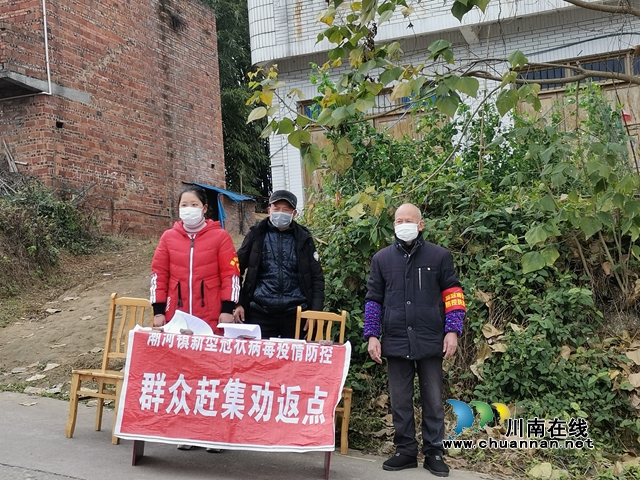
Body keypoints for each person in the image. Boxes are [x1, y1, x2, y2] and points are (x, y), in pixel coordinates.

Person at [364, 203, 466, 477]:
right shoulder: (382, 259)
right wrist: (372, 335)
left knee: (433, 400)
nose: (403, 225)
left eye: (408, 220)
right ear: (393, 225)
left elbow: (453, 293)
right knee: (400, 400)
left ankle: (434, 452)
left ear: (421, 225)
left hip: (431, 339)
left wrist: (452, 330)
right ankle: (405, 451)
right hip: (396, 339)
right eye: (398, 221)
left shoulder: (439, 256)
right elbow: (373, 299)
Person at [150, 185, 241, 452]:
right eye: (183, 204)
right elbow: (159, 275)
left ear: (204, 208)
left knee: (212, 375)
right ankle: (188, 432)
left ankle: (215, 434)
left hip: (212, 316)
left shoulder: (220, 237)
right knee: (183, 376)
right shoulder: (168, 238)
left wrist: (227, 307)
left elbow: (231, 275)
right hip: (177, 317)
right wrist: (158, 311)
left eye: (193, 204)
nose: (187, 209)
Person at [233, 190, 324, 338]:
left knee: (295, 359)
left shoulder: (304, 239)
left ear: (293, 213)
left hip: (296, 313)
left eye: (286, 209)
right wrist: (238, 302)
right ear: (269, 210)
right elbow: (236, 269)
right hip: (260, 312)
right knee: (260, 359)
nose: (280, 212)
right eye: (276, 208)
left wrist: (315, 312)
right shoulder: (255, 235)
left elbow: (317, 278)